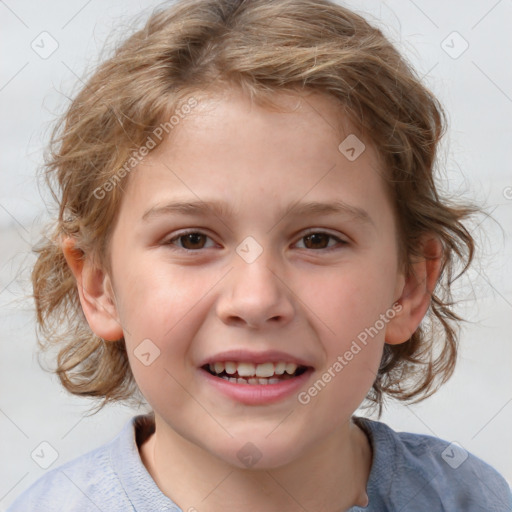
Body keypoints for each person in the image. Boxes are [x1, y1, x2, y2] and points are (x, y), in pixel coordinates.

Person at [8, 0, 511, 510]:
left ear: (408, 287)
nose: (255, 299)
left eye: (317, 240)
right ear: (99, 285)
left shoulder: (473, 498)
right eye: (192, 240)